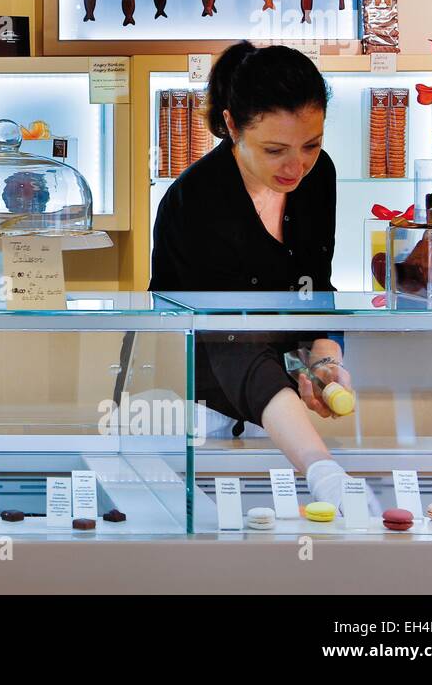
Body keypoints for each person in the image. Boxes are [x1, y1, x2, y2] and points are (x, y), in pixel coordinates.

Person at [150, 41, 358, 509]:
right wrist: (321, 467)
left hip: (281, 416)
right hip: (194, 413)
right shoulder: (194, 203)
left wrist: (323, 349)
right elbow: (228, 340)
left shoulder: (318, 176)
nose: (296, 166)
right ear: (231, 126)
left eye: (311, 144)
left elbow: (313, 284)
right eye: (274, 149)